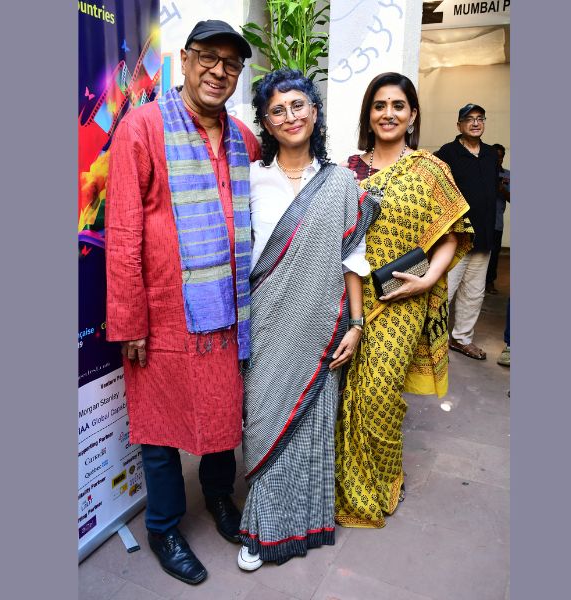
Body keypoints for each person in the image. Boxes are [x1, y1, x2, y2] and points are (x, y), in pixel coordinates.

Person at [104, 20, 260, 586]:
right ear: (187, 59)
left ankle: (219, 497)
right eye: (208, 58)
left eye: (231, 64)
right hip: (163, 312)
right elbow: (123, 230)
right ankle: (164, 526)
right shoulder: (142, 127)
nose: (219, 71)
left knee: (223, 413)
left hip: (228, 311)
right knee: (159, 426)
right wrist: (130, 321)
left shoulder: (243, 139)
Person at [236, 69, 380, 570]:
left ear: (314, 113)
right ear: (266, 122)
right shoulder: (250, 178)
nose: (290, 116)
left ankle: (302, 523)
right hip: (265, 323)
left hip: (320, 326)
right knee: (264, 423)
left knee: (312, 425)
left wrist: (356, 325)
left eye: (298, 105)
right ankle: (261, 527)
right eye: (277, 110)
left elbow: (352, 259)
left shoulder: (340, 182)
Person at [334, 72, 474, 528]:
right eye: (380, 105)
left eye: (398, 105)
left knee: (379, 394)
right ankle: (348, 480)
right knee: (345, 395)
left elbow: (454, 232)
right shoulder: (348, 170)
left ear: (412, 114)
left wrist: (428, 278)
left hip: (404, 298)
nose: (388, 113)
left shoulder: (430, 170)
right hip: (348, 298)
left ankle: (385, 479)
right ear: (368, 114)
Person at [434, 104, 499, 360]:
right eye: (469, 119)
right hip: (455, 237)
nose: (475, 123)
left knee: (474, 293)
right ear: (459, 125)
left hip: (483, 236)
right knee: (444, 292)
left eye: (480, 118)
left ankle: (462, 339)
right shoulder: (446, 153)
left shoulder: (491, 154)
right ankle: (431, 344)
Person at [486, 143, 510, 294]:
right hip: (480, 222)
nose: (497, 160)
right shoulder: (482, 172)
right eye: (495, 157)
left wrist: (502, 190)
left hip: (496, 223)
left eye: (500, 157)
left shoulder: (507, 175)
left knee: (494, 255)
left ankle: (489, 282)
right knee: (475, 254)